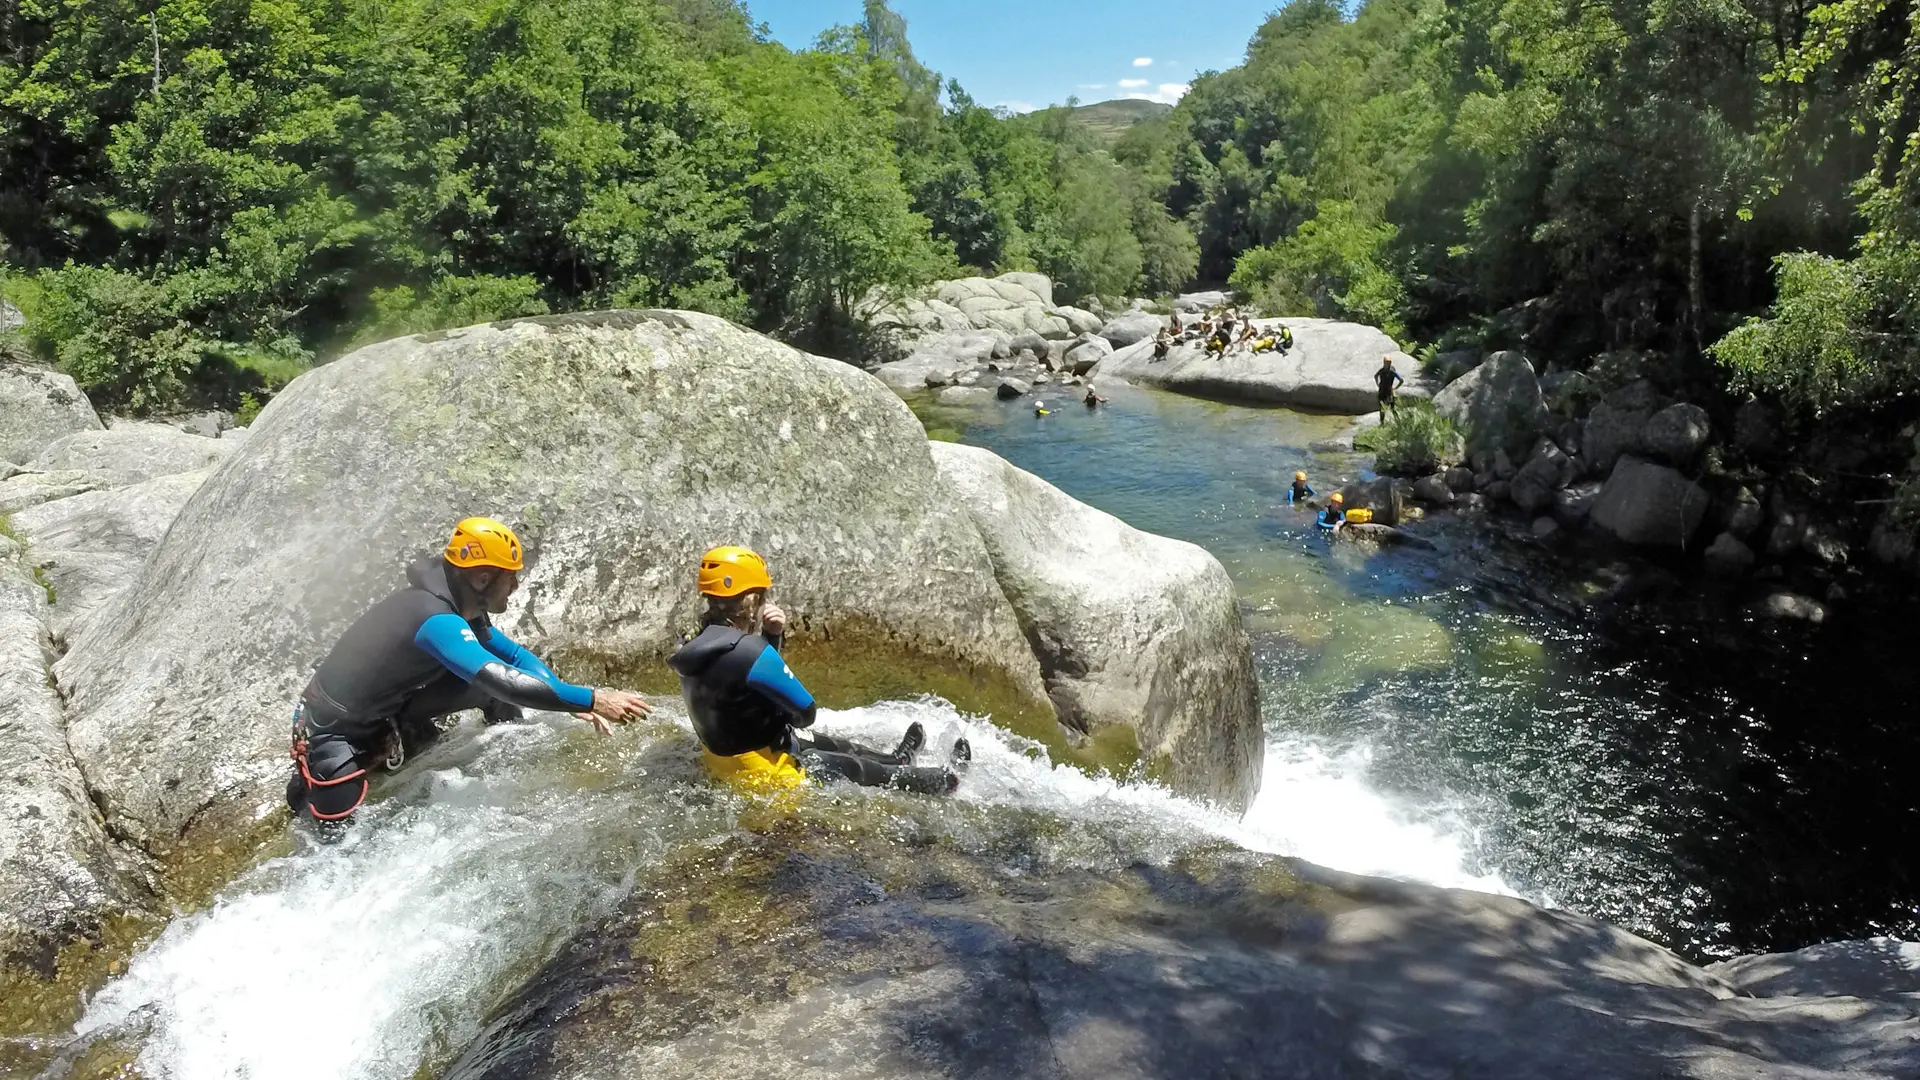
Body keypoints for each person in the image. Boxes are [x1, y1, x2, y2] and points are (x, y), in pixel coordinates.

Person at [286, 517, 653, 836]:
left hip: (390, 709)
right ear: (482, 578)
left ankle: (513, 766)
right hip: (334, 727)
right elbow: (499, 677)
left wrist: (560, 695)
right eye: (511, 578)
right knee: (336, 833)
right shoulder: (434, 618)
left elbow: (511, 656)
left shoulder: (462, 607)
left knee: (496, 694)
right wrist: (591, 698)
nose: (516, 586)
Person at [669, 546, 967, 796]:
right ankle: (945, 781)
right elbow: (804, 712)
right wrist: (769, 644)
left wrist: (771, 637)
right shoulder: (750, 650)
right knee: (850, 766)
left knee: (827, 742)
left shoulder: (692, 644)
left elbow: (741, 681)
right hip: (770, 776)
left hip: (731, 763)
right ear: (751, 600)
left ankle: (898, 759)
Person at [1376, 355, 1405, 421]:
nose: (1388, 364)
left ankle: (1398, 421)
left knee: (1393, 408)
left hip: (1389, 392)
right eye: (1387, 363)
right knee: (1382, 409)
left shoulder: (1392, 372)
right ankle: (1382, 423)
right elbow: (1375, 376)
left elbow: (1401, 380)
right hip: (1382, 392)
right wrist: (1377, 384)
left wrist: (1395, 388)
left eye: (1389, 363)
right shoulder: (1381, 371)